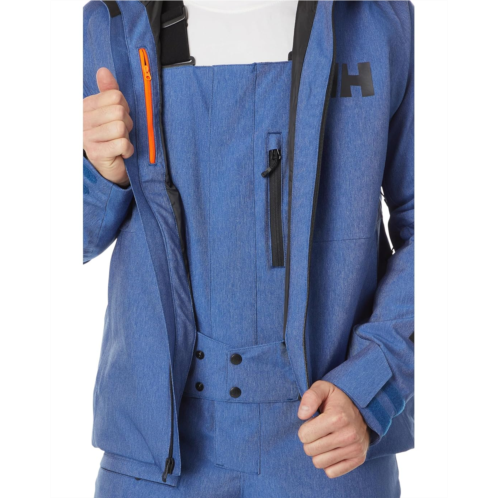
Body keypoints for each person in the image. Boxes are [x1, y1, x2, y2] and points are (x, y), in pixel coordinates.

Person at [83, 1, 414, 497]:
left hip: (331, 445)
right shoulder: (110, 22)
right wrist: (97, 171)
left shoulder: (379, 19)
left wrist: (372, 386)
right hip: (155, 460)